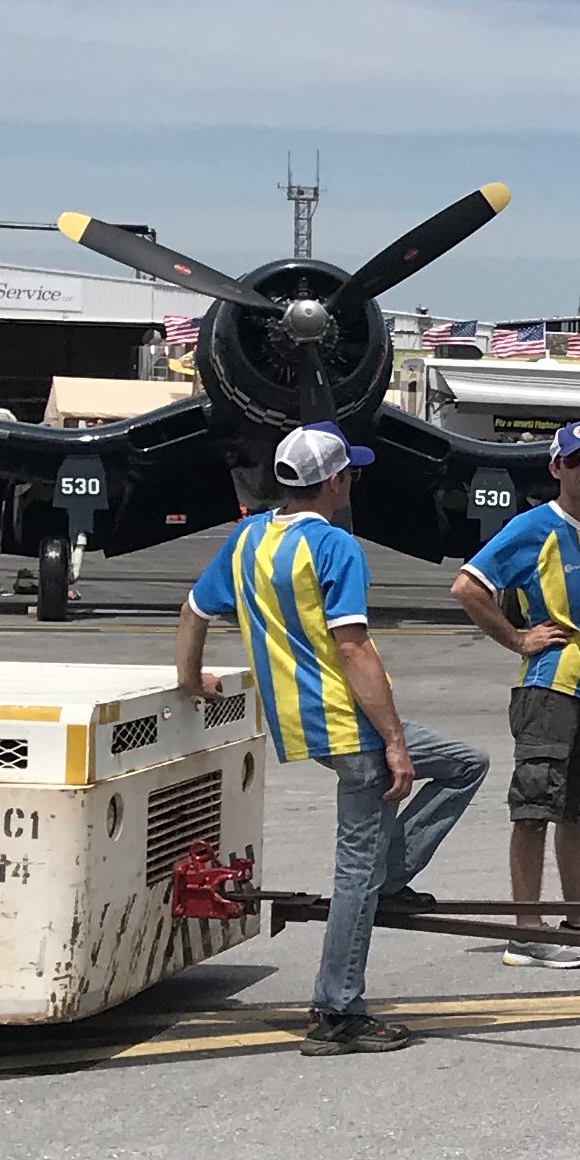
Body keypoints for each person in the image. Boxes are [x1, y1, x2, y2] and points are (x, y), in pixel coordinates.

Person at [179, 422, 489, 1055]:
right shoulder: (336, 547)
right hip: (351, 727)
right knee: (354, 873)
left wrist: (189, 680)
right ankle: (338, 1009)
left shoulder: (247, 540)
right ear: (337, 481)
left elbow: (194, 611)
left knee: (465, 763)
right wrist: (395, 740)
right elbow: (354, 648)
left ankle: (391, 874)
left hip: (303, 727)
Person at [447, 421, 580, 970]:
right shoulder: (534, 527)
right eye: (575, 461)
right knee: (534, 808)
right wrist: (516, 638)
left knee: (579, 811)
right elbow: (467, 586)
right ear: (555, 468)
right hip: (547, 689)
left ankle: (579, 918)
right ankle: (526, 932)